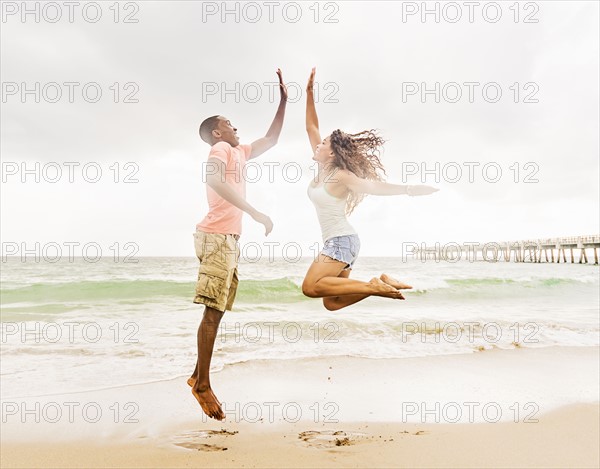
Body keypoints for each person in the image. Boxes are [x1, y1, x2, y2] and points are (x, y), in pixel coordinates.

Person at [190, 69, 287, 420]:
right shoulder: (220, 148)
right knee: (212, 311)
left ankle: (197, 376)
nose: (236, 128)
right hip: (216, 235)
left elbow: (272, 139)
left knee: (217, 309)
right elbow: (212, 178)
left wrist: (284, 100)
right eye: (230, 124)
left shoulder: (240, 152)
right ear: (218, 132)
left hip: (227, 237)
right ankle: (202, 384)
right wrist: (255, 212)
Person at [301, 67, 438, 310]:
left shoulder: (340, 175)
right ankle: (381, 282)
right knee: (332, 303)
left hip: (341, 242)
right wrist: (309, 91)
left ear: (331, 152)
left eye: (322, 144)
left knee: (310, 287)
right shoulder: (323, 169)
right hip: (340, 242)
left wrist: (408, 189)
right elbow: (311, 127)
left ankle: (374, 285)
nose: (317, 144)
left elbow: (372, 187)